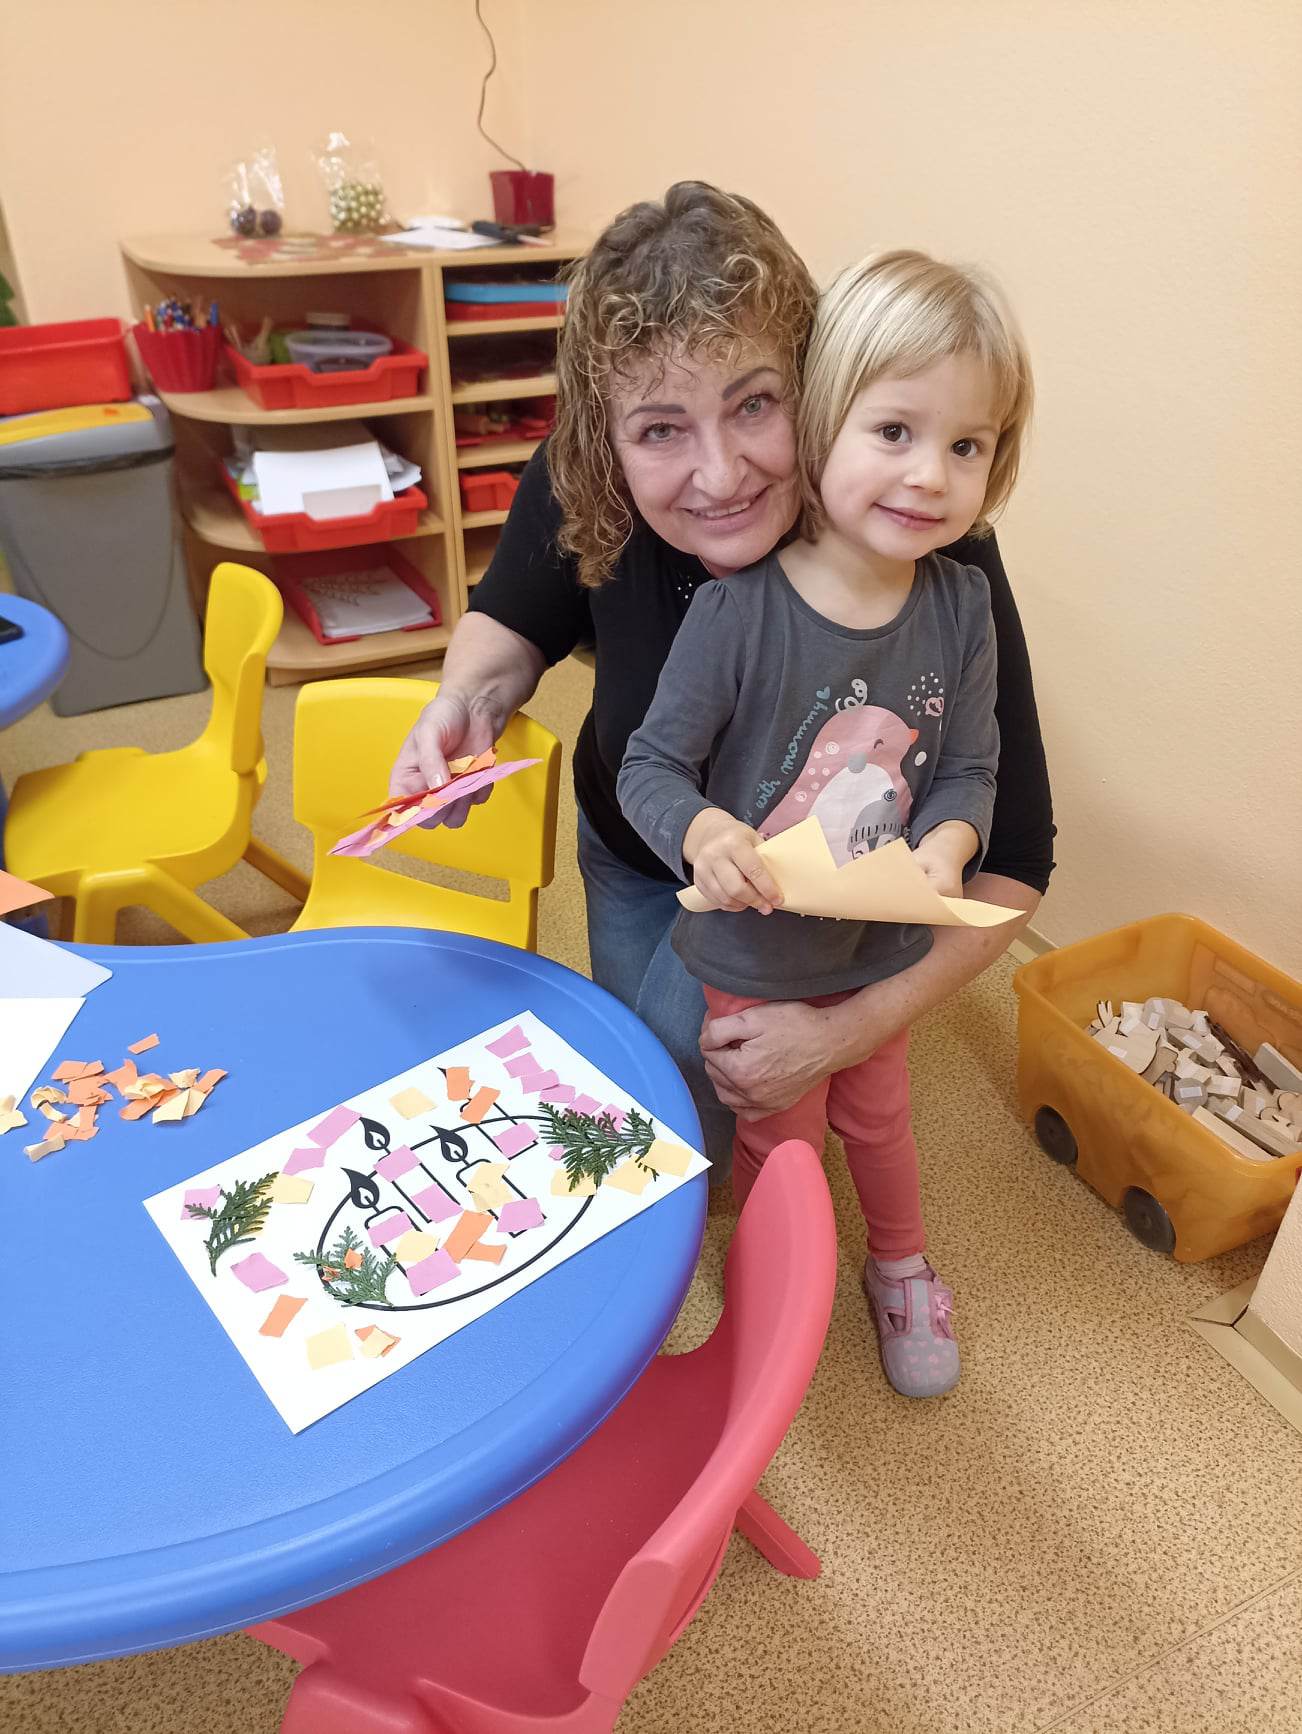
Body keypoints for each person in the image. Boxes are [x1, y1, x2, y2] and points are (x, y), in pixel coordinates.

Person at [388, 183, 1055, 1165]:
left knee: (710, 1116)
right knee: (644, 1092)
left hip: (797, 909)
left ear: (816, 388)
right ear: (607, 439)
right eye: (661, 429)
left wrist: (846, 1031)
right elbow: (513, 620)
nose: (722, 474)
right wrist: (464, 703)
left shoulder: (916, 539)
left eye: (755, 405)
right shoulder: (585, 473)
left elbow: (1017, 858)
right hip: (633, 842)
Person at [618, 250, 1033, 1396]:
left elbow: (972, 767)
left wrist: (950, 841)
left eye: (967, 445)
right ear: (821, 425)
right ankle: (775, 1290)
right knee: (779, 1136)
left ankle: (900, 1268)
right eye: (894, 431)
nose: (930, 476)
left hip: (877, 944)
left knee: (882, 1117)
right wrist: (704, 833)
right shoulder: (737, 612)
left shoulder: (962, 605)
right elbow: (652, 765)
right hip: (753, 956)